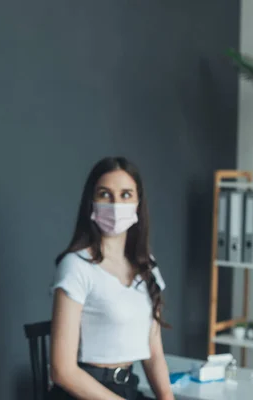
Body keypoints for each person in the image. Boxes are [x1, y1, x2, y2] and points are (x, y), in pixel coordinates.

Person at [49, 157, 174, 400]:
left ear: (138, 202)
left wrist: (167, 397)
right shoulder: (75, 266)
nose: (116, 204)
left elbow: (154, 353)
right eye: (105, 194)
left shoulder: (147, 266)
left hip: (127, 387)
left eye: (126, 195)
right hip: (83, 392)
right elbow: (62, 370)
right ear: (91, 202)